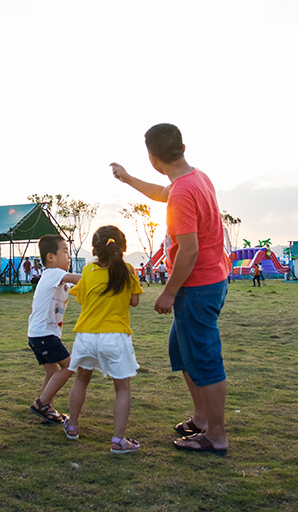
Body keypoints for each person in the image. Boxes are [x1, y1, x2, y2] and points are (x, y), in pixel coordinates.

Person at [111, 123, 229, 455]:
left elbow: (188, 250)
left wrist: (169, 291)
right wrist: (128, 179)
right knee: (181, 349)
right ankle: (202, 418)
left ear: (152, 157)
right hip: (211, 279)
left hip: (198, 285)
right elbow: (162, 193)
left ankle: (216, 435)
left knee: (205, 358)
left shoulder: (183, 191)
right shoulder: (195, 178)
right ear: (183, 147)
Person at [63, 226, 143, 454]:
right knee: (122, 388)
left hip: (86, 335)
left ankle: (72, 426)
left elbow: (82, 298)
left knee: (81, 379)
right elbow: (134, 302)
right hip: (115, 336)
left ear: (95, 250)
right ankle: (118, 441)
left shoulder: (87, 271)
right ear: (122, 246)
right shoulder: (128, 270)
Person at [27, 235, 82, 426]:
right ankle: (41, 404)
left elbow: (77, 286)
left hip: (38, 334)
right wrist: (102, 275)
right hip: (44, 335)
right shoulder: (52, 273)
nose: (68, 257)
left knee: (52, 372)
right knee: (70, 366)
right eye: (65, 252)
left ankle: (47, 410)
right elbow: (80, 279)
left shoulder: (56, 277)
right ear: (50, 257)